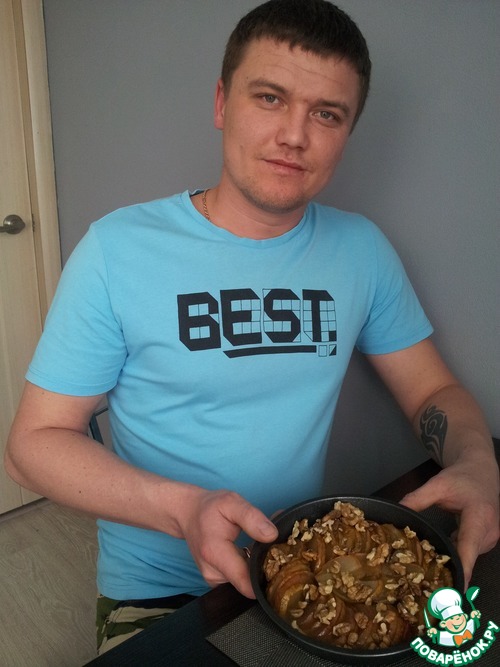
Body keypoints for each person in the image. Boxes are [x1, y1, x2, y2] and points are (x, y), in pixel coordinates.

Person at [5, 0, 499, 655]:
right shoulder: (116, 249)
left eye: (327, 114)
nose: (294, 135)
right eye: (270, 97)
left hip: (303, 571)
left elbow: (433, 391)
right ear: (221, 103)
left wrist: (477, 460)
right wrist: (184, 508)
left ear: (347, 131)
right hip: (160, 592)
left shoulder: (362, 250)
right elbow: (33, 444)